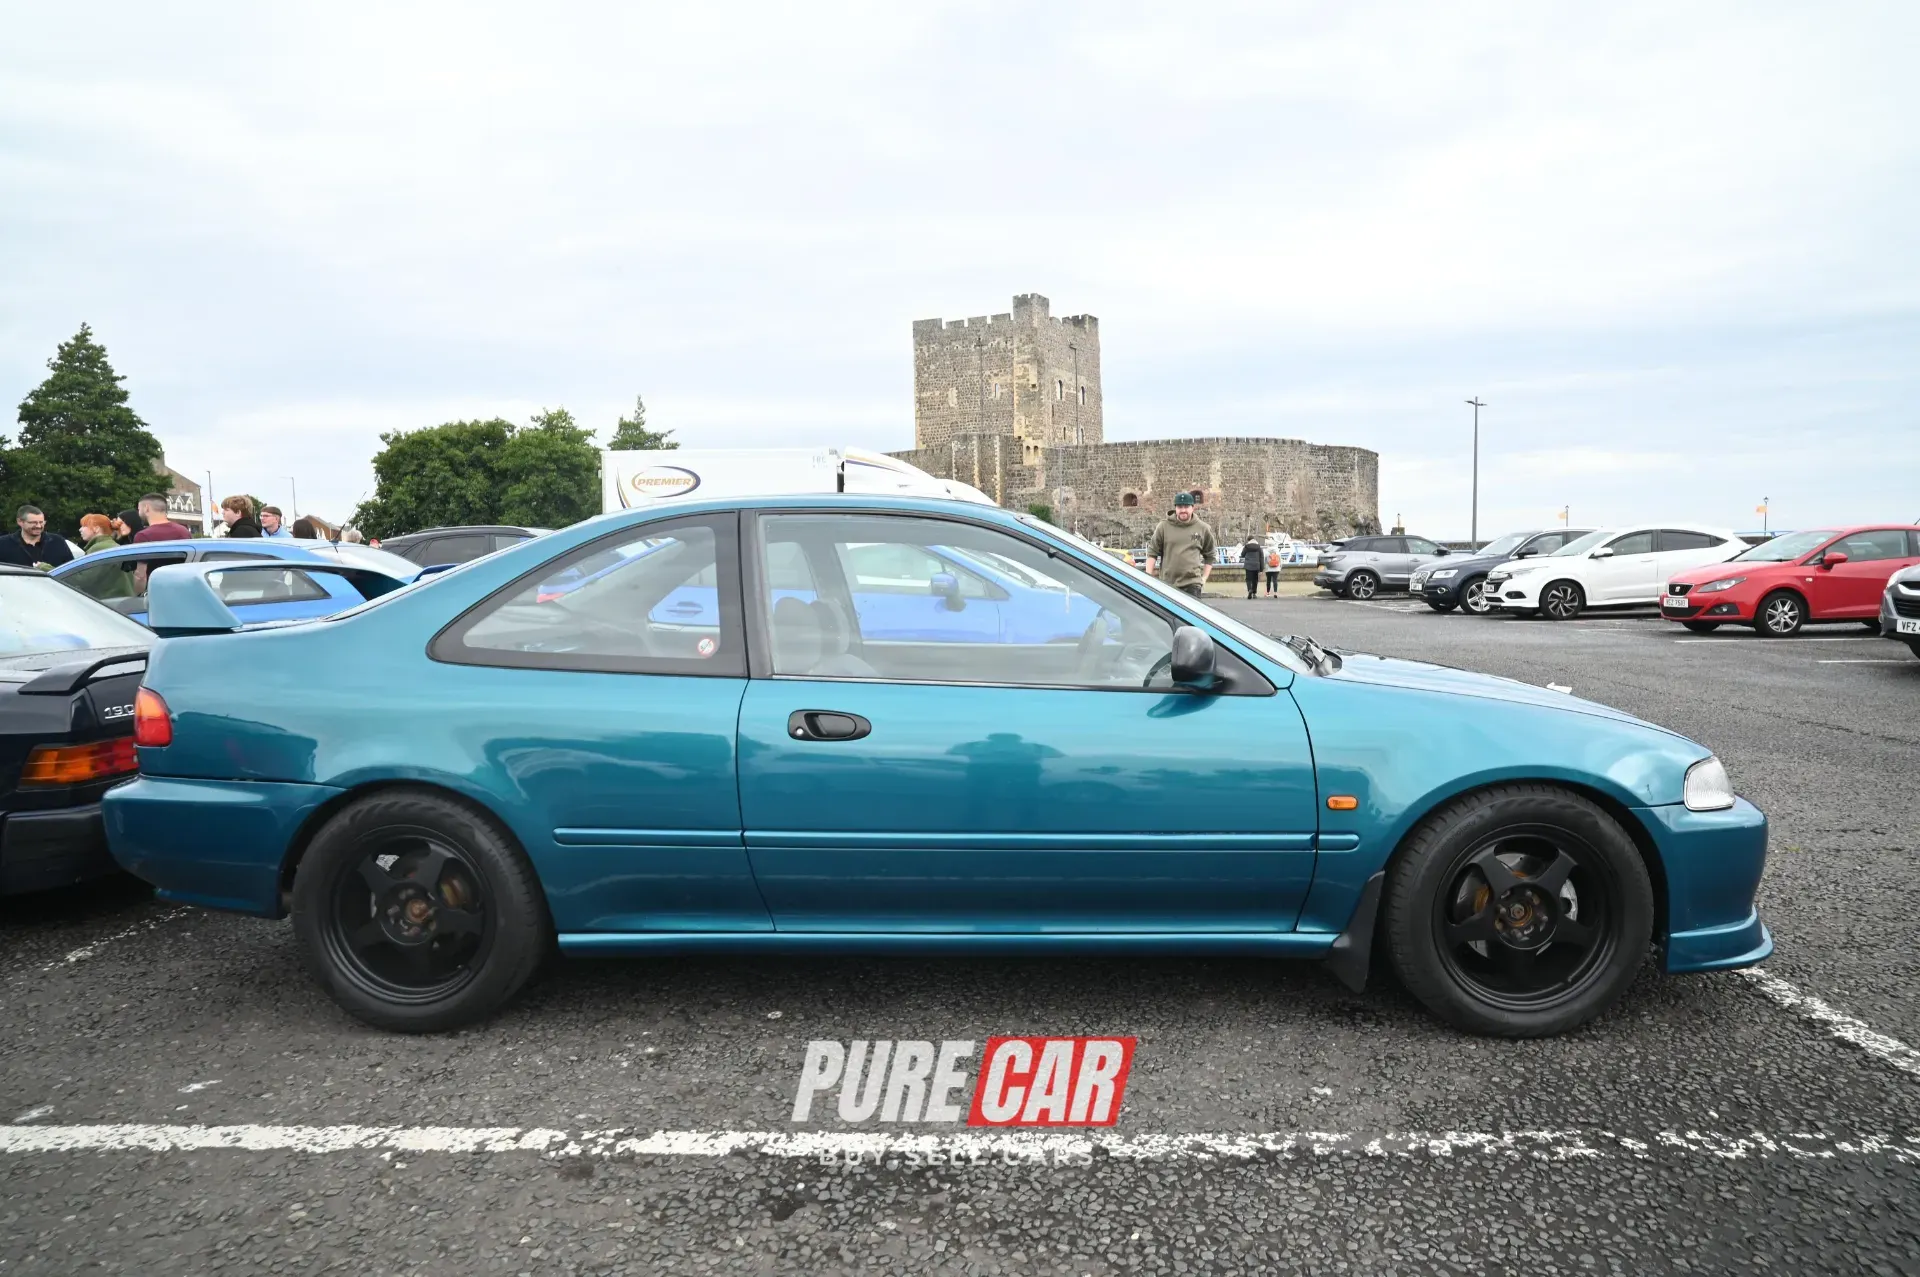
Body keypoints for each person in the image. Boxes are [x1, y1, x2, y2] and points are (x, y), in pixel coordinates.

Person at [1145, 493, 1216, 598]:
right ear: (1175, 508)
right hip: (1167, 584)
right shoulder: (1163, 527)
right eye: (1180, 507)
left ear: (1193, 508)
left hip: (1192, 585)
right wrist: (1148, 578)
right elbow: (1152, 553)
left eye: (1186, 506)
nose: (1183, 510)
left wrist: (1204, 578)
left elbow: (1210, 555)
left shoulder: (1203, 528)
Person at [0, 504, 76, 569]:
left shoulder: (57, 541)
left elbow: (71, 570)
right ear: (20, 522)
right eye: (33, 523)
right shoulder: (3, 544)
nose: (39, 526)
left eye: (41, 522)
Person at [1239, 534, 1265, 599]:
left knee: (1248, 579)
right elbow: (1261, 558)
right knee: (1255, 580)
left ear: (1248, 540)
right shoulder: (1259, 547)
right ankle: (1254, 593)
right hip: (1256, 565)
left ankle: (1249, 590)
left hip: (1248, 565)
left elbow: (1242, 555)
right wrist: (1261, 568)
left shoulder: (1246, 546)